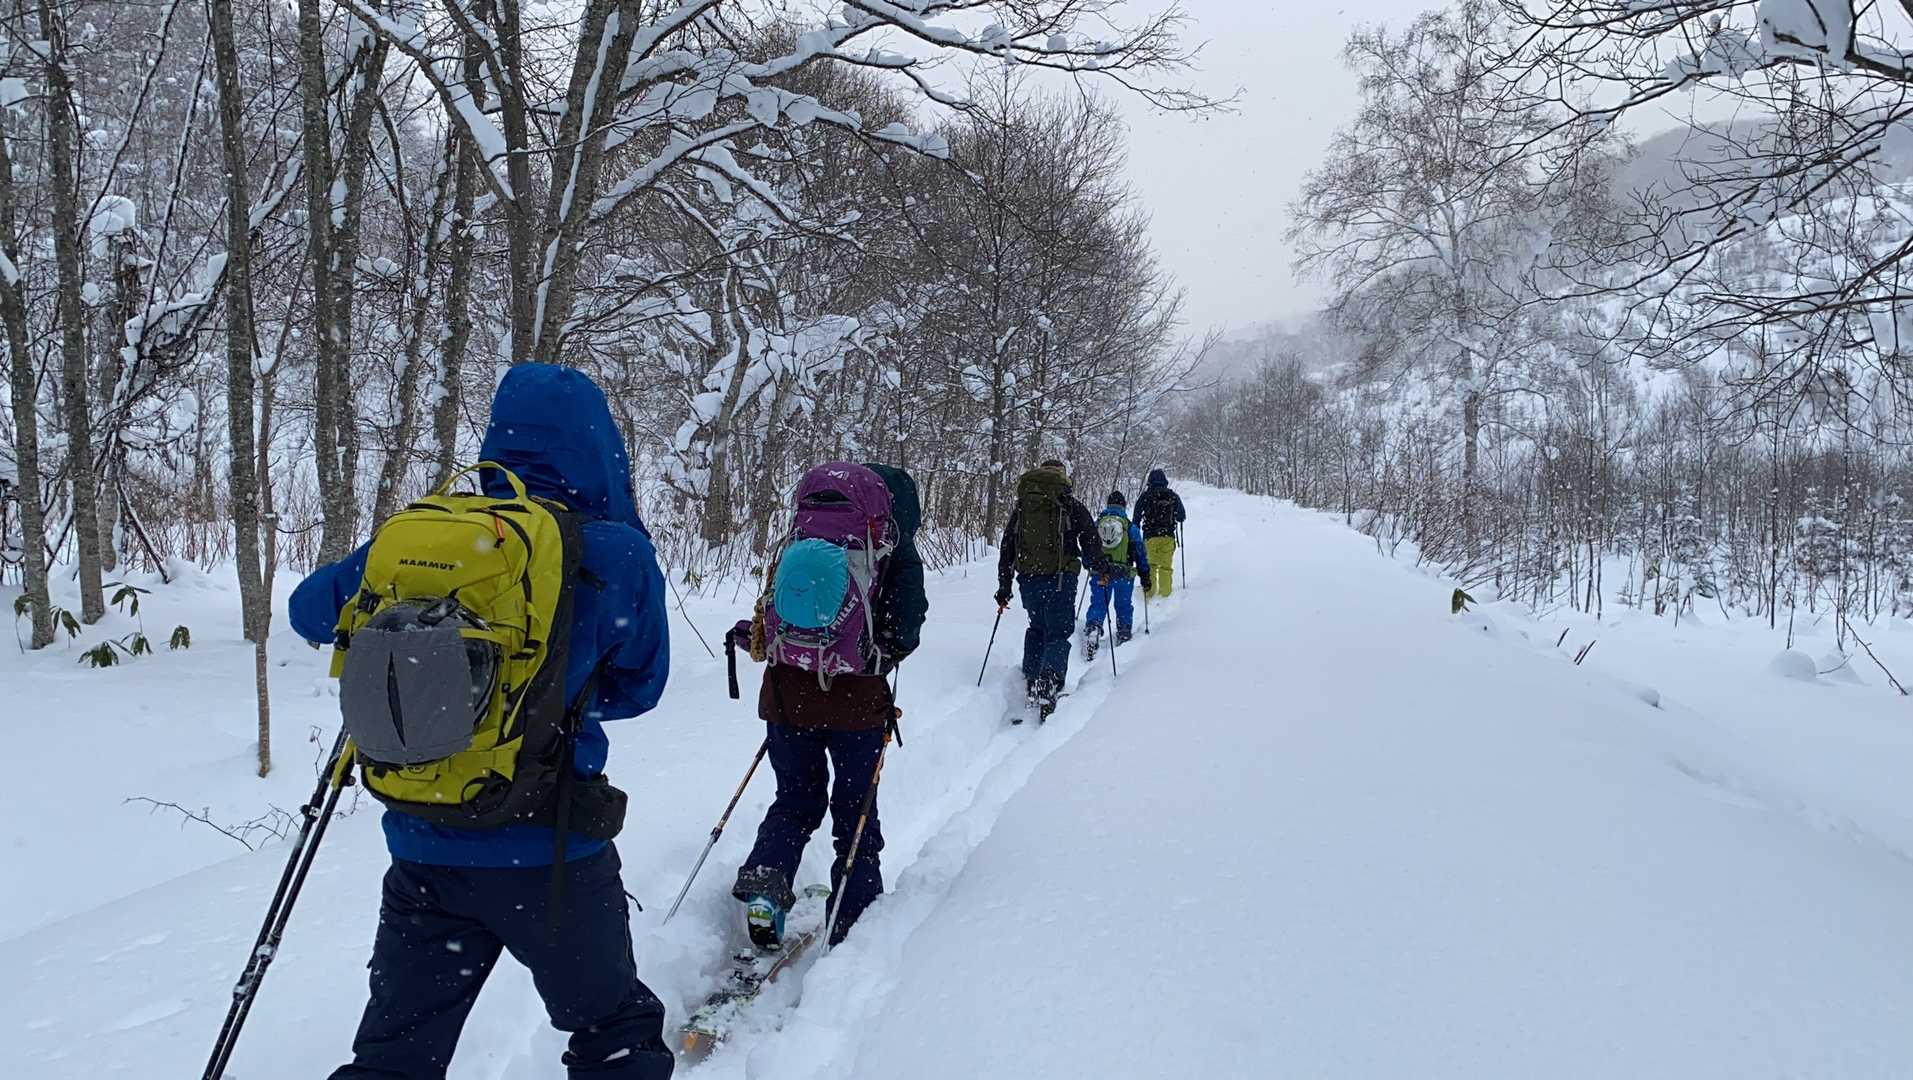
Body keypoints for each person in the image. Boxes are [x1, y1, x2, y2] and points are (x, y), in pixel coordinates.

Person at [290, 364, 675, 1080]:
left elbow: (309, 612)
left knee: (393, 1059)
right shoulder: (614, 551)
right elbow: (640, 687)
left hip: (425, 847)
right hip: (550, 850)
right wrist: (557, 692)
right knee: (612, 1029)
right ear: (599, 445)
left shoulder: (427, 536)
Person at [730, 463, 926, 948]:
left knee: (794, 800)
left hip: (785, 696)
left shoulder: (804, 537)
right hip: (856, 705)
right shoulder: (893, 551)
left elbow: (774, 612)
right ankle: (851, 918)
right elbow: (905, 632)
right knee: (855, 811)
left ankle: (766, 884)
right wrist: (875, 656)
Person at [993, 460, 1115, 720]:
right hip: (1061, 578)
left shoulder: (1024, 507)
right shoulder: (1069, 504)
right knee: (1058, 632)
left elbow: (1008, 546)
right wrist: (1101, 568)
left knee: (1037, 627)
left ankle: (1031, 679)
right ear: (1062, 477)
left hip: (1029, 579)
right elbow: (1090, 540)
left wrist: (1004, 585)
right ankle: (1049, 681)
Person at [1084, 490, 1151, 655]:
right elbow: (1140, 553)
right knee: (1123, 605)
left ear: (1108, 505)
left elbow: (1088, 546)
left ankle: (1093, 628)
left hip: (1100, 572)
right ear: (1124, 506)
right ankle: (1124, 632)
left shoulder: (1097, 523)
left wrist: (1088, 564)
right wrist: (1145, 575)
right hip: (1123, 573)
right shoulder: (1130, 526)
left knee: (1098, 603)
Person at [1133, 467, 1187, 597]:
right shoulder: (1172, 495)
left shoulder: (1145, 496)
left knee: (1150, 566)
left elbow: (1136, 518)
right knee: (1165, 567)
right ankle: (1165, 594)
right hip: (1167, 537)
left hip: (1150, 537)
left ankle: (1149, 593)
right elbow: (1181, 516)